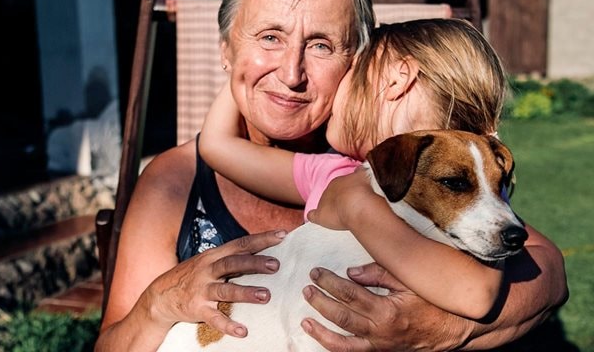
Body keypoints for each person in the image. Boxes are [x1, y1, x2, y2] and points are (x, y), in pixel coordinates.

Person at [95, 0, 567, 352]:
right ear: (227, 51)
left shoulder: (379, 164)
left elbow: (547, 273)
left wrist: (436, 329)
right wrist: (158, 305)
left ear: (354, 63)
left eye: (321, 45)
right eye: (268, 38)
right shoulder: (175, 182)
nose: (291, 72)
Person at [199, 18, 513, 322]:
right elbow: (218, 145)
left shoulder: (466, 201)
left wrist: (356, 206)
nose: (334, 86)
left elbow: (476, 294)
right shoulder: (331, 171)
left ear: (396, 79)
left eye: (351, 70)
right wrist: (250, 66)